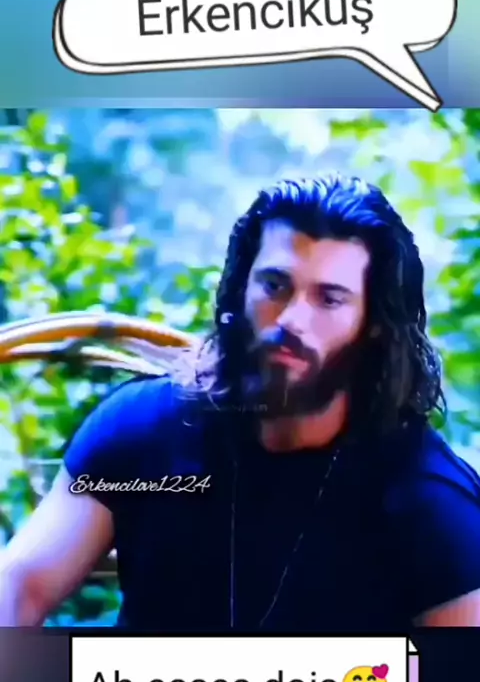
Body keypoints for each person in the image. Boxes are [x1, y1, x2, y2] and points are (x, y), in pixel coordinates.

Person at [1, 174, 480, 631]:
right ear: (240, 288)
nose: (291, 320)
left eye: (329, 299)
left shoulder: (427, 499)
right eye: (274, 286)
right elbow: (20, 588)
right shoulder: (143, 430)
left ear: (374, 325)